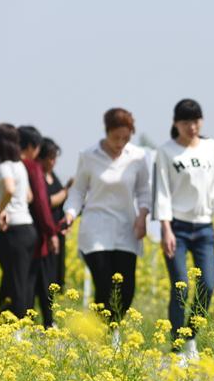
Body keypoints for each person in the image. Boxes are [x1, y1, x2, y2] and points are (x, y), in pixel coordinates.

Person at [154, 98, 214, 363]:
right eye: (186, 121)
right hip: (176, 227)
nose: (192, 126)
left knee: (208, 286)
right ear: (175, 124)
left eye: (196, 120)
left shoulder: (211, 148)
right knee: (180, 286)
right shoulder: (165, 152)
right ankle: (177, 347)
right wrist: (165, 229)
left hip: (204, 228)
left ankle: (191, 337)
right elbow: (162, 193)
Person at [64, 108, 150, 325]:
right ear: (106, 131)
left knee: (127, 288)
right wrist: (70, 213)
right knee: (104, 284)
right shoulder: (89, 155)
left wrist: (142, 216)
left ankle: (113, 329)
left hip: (126, 228)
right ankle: (103, 335)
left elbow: (144, 191)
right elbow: (78, 190)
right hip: (95, 229)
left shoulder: (138, 157)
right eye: (116, 137)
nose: (120, 142)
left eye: (125, 137)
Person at [0, 123, 37, 318]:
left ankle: (17, 327)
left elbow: (9, 189)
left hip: (12, 231)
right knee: (21, 279)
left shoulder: (4, 167)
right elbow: (29, 197)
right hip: (27, 228)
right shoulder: (20, 166)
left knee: (14, 280)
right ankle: (15, 322)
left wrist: (0, 210)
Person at [19, 126, 60, 328]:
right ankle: (45, 323)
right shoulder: (32, 167)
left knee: (19, 281)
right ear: (31, 146)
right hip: (34, 235)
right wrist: (51, 232)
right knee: (39, 281)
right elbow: (42, 204)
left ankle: (21, 323)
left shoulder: (7, 165)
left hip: (8, 233)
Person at [38, 138, 73, 291]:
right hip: (45, 233)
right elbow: (48, 201)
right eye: (50, 158)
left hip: (58, 231)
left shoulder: (53, 175)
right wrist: (66, 190)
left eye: (54, 158)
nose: (53, 162)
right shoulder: (38, 176)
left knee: (56, 272)